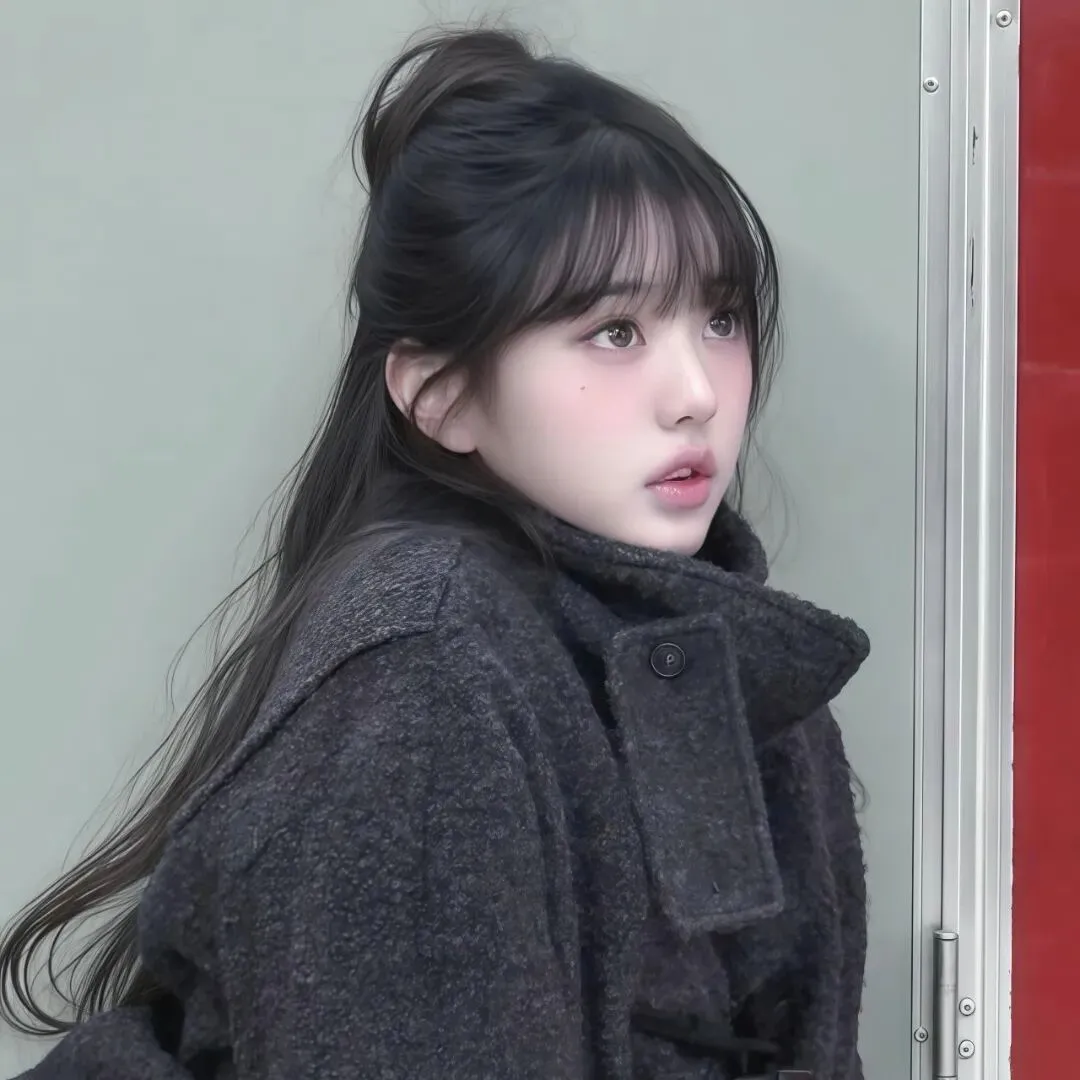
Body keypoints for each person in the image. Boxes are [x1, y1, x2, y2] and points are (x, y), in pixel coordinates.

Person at [0, 25, 871, 1080]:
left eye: (721, 318)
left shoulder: (721, 647)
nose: (697, 394)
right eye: (615, 331)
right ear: (440, 395)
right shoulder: (426, 677)